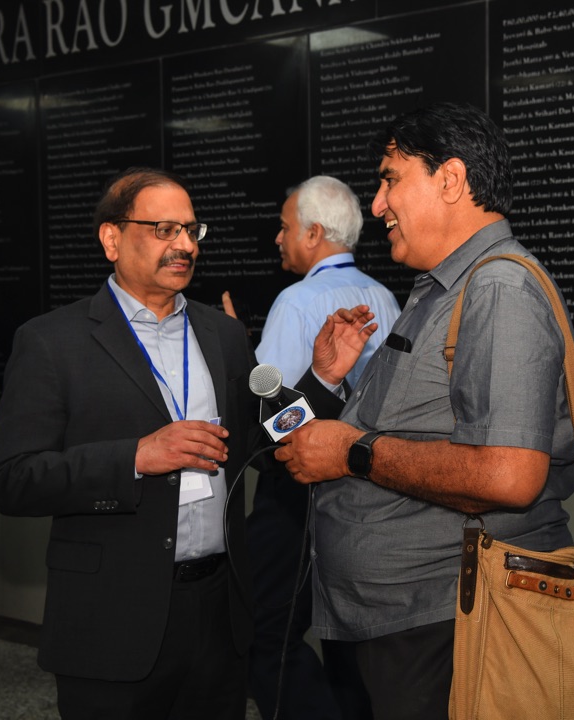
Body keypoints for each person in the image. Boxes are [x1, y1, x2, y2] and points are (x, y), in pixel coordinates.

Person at [274, 102, 574, 720]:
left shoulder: (499, 288)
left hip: (447, 625)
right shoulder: (441, 288)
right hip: (403, 623)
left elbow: (510, 476)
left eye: (390, 179)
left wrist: (353, 453)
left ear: (451, 180)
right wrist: (327, 379)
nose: (378, 205)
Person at [0, 167, 261, 720]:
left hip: (216, 614)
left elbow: (261, 441)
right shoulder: (51, 341)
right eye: (164, 229)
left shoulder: (224, 334)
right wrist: (134, 458)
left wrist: (323, 380)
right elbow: (11, 479)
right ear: (112, 239)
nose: (185, 245)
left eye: (191, 230)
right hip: (109, 617)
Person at [235, 176, 399, 720]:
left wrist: (240, 360)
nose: (278, 239)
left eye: (284, 228)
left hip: (297, 496)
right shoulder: (384, 297)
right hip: (370, 495)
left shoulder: (297, 301)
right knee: (349, 643)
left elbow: (277, 425)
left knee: (269, 636)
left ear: (312, 233)